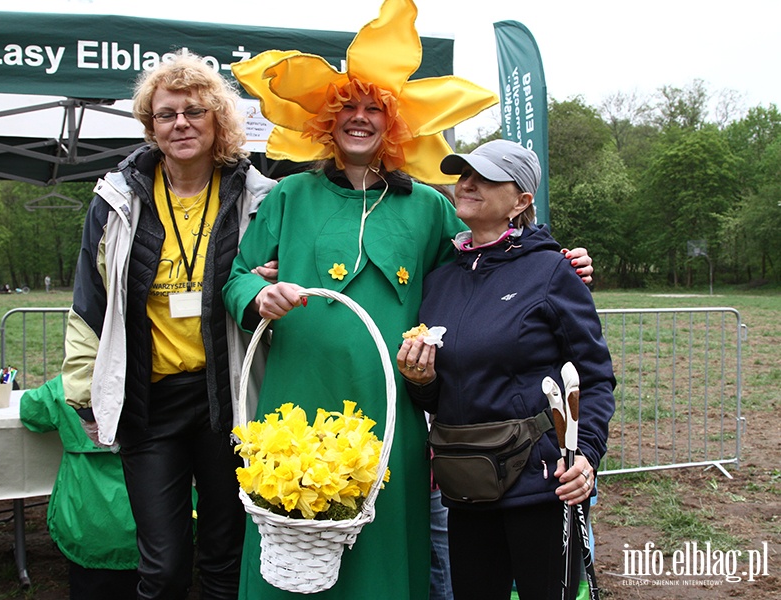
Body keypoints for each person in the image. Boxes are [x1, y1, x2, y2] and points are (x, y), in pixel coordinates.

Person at [223, 1, 592, 597]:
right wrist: (257, 297)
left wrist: (556, 258)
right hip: (296, 400)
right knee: (289, 538)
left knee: (387, 547)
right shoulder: (289, 196)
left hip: (392, 407)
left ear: (393, 125)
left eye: (374, 109)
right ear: (327, 121)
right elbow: (238, 275)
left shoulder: (429, 207)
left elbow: (484, 265)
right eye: (348, 108)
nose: (360, 119)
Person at [61, 52, 278, 600]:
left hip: (226, 399)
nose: (181, 123)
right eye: (166, 114)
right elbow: (90, 301)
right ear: (150, 124)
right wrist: (85, 394)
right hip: (148, 401)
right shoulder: (117, 200)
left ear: (218, 121)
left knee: (227, 558)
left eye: (195, 111)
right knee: (162, 566)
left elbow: (274, 291)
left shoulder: (258, 199)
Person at [397, 139, 615, 600]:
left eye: (487, 178)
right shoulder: (440, 281)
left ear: (521, 201)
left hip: (541, 485)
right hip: (467, 488)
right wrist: (421, 383)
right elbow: (442, 394)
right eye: (464, 175)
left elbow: (594, 376)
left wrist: (586, 457)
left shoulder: (552, 272)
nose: (468, 184)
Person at [20, 375, 140, 600]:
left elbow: (30, 410)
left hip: (85, 523)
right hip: (150, 522)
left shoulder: (67, 384)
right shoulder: (154, 380)